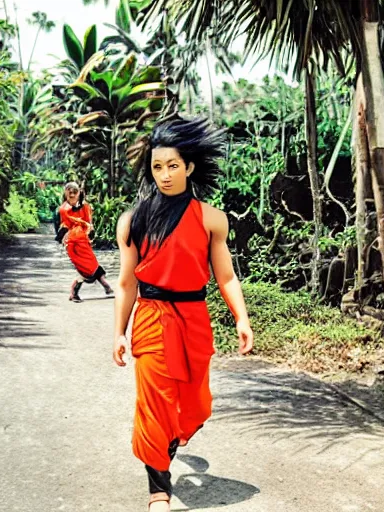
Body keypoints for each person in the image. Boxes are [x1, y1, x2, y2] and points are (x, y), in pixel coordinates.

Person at [113, 117, 254, 511]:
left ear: (189, 166)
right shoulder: (133, 220)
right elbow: (126, 284)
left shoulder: (212, 219)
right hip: (152, 317)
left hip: (194, 318)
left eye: (172, 165)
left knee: (196, 406)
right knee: (154, 404)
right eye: (157, 167)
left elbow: (226, 276)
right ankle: (159, 489)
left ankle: (171, 439)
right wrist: (118, 333)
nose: (165, 175)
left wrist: (241, 318)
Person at [57, 182, 113, 302]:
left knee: (92, 265)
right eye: (69, 192)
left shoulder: (86, 207)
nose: (72, 194)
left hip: (83, 241)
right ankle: (75, 292)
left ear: (79, 193)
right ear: (66, 193)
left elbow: (89, 223)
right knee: (85, 268)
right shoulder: (63, 209)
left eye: (74, 192)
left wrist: (90, 233)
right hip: (73, 243)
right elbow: (65, 225)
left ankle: (106, 287)